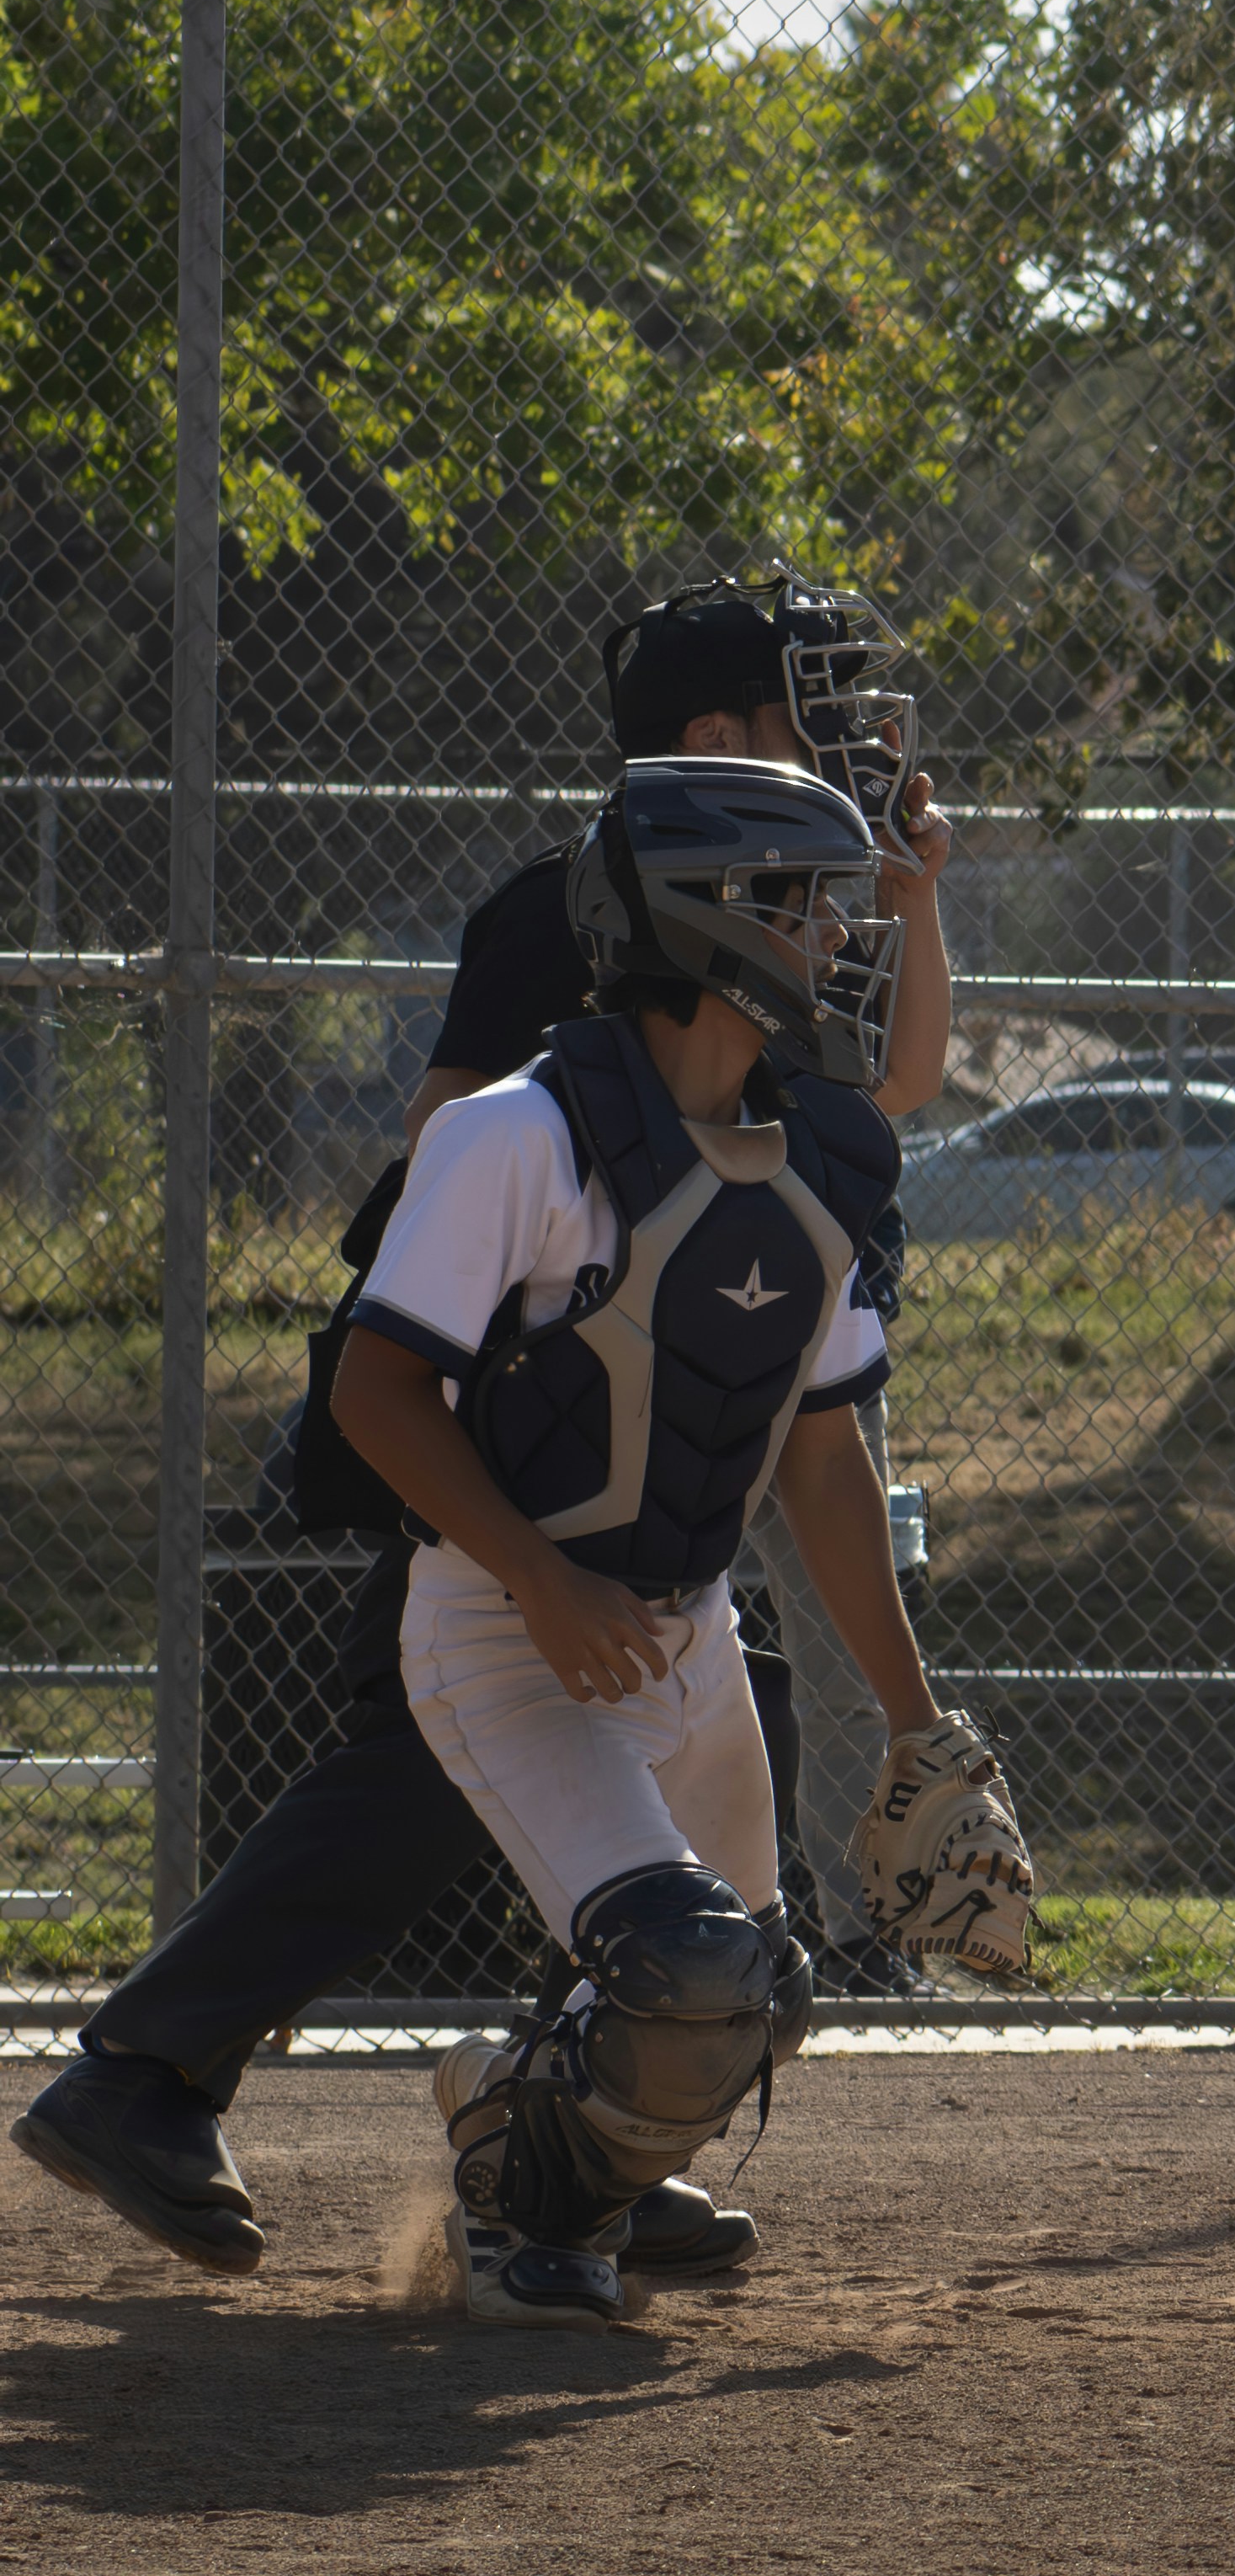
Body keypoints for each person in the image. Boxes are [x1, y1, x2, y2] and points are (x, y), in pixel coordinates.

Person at [11, 579, 956, 2282]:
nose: (842, 919)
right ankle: (181, 2079)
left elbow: (865, 1142)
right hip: (492, 1424)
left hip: (659, 1494)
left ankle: (578, 2121)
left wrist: (925, 1721)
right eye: (796, 711)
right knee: (429, 1786)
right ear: (715, 758)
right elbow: (448, 1189)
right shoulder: (566, 971)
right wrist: (531, 1445)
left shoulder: (787, 1102)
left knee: (731, 1940)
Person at [322, 757, 1014, 2321]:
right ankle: (527, 2219)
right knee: (689, 1981)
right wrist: (541, 1573)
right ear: (712, 918)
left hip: (687, 1636)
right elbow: (377, 1391)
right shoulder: (518, 1136)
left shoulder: (817, 1155)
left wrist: (920, 1724)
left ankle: (532, 2105)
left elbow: (822, 1468)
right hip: (507, 1636)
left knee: (759, 2004)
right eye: (808, 903)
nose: (840, 937)